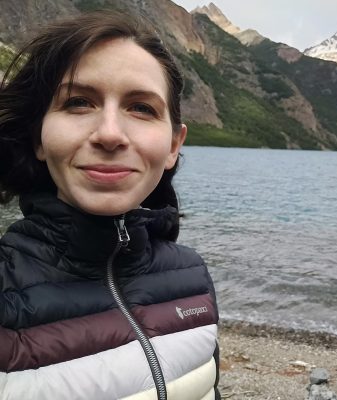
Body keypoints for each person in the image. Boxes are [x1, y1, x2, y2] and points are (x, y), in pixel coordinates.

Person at [0, 10, 220, 400]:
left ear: (173, 145)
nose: (110, 134)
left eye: (141, 108)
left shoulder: (192, 278)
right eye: (79, 102)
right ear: (38, 137)